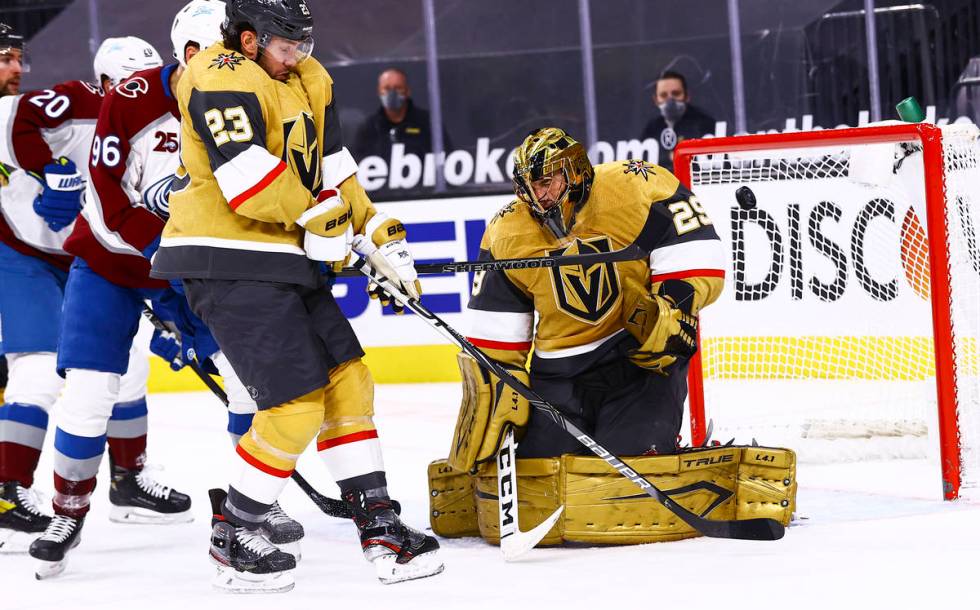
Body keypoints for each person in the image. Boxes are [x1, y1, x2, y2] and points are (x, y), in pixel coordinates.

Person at [150, 0, 443, 592]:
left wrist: (372, 230)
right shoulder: (217, 71)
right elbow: (247, 178)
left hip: (286, 260)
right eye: (287, 46)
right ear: (249, 38)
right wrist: (320, 217)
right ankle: (236, 530)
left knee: (348, 382)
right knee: (294, 405)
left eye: (305, 45)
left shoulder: (308, 78)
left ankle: (379, 522)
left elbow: (333, 167)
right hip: (227, 259)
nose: (299, 57)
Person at [450, 127, 725, 474]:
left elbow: (698, 253)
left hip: (637, 362)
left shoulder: (635, 187)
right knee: (542, 474)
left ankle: (663, 442)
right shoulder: (507, 232)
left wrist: (670, 309)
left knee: (630, 470)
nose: (539, 197)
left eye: (547, 182)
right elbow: (496, 336)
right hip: (560, 376)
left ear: (574, 169)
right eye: (529, 187)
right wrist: (494, 383)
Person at [0, 32, 163, 556]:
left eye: (19, 57)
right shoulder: (61, 103)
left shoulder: (161, 117)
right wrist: (49, 173)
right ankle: (6, 493)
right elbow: (23, 123)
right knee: (40, 369)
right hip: (18, 252)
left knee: (125, 362)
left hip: (78, 255)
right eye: (5, 58)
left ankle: (127, 481)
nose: (17, 67)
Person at [352, 67, 451, 162]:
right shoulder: (370, 127)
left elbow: (446, 157)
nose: (392, 93)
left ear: (407, 91)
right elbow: (357, 162)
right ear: (379, 91)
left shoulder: (427, 122)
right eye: (386, 88)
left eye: (398, 88)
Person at [639, 70, 717, 172]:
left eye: (676, 94)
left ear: (687, 96)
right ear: (656, 100)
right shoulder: (652, 129)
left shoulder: (703, 124)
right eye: (663, 95)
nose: (670, 100)